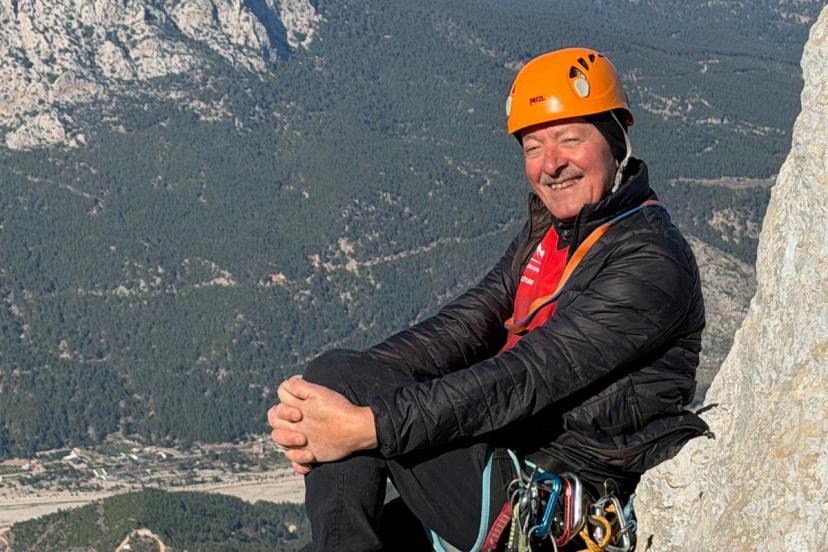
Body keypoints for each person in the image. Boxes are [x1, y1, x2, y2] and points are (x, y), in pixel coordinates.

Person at [268, 47, 709, 551]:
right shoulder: (551, 237)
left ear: (616, 140)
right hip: (510, 463)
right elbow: (463, 328)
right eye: (533, 147)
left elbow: (527, 376)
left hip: (559, 501)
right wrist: (318, 408)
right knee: (337, 380)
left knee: (344, 380)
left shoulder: (650, 260)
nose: (552, 164)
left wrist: (365, 424)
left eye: (571, 139)